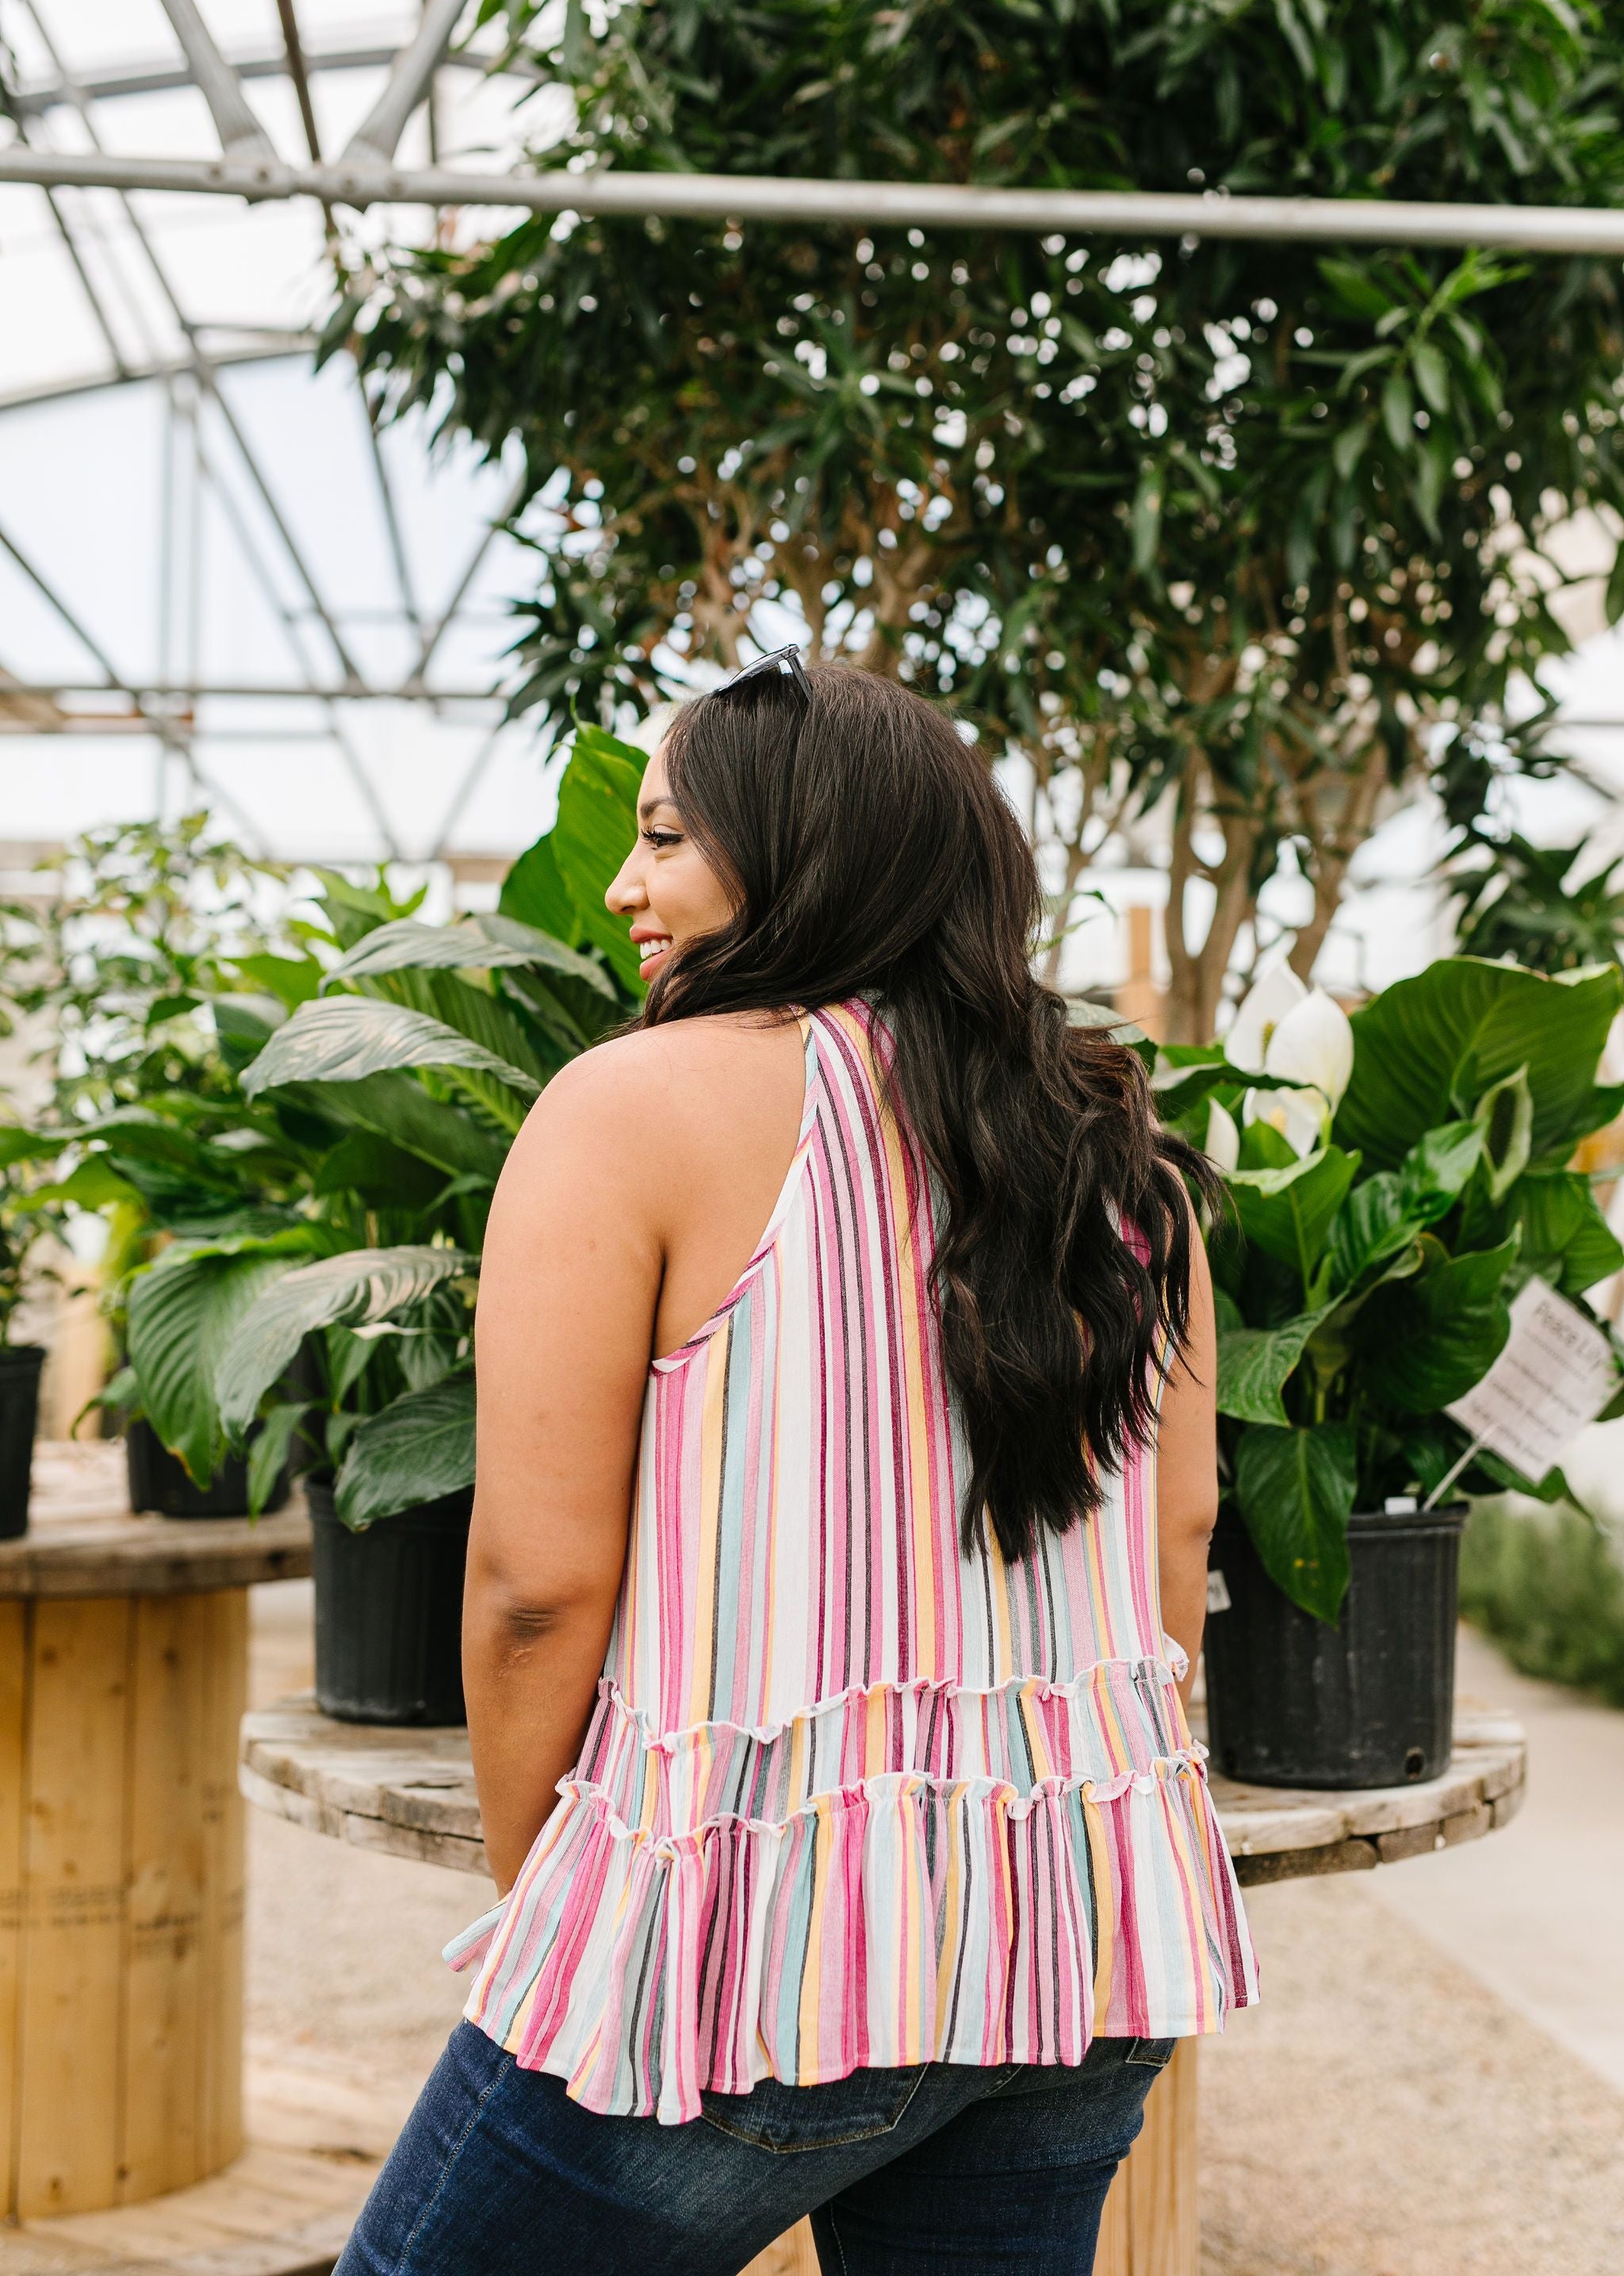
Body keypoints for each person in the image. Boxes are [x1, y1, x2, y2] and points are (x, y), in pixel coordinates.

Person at [336, 657, 1257, 2276]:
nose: (624, 885)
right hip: (1074, 1935)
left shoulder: (631, 1108)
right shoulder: (1124, 1155)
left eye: (668, 837)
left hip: (741, 1932)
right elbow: (1176, 1536)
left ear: (802, 850)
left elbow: (536, 1591)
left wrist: (550, 1925)